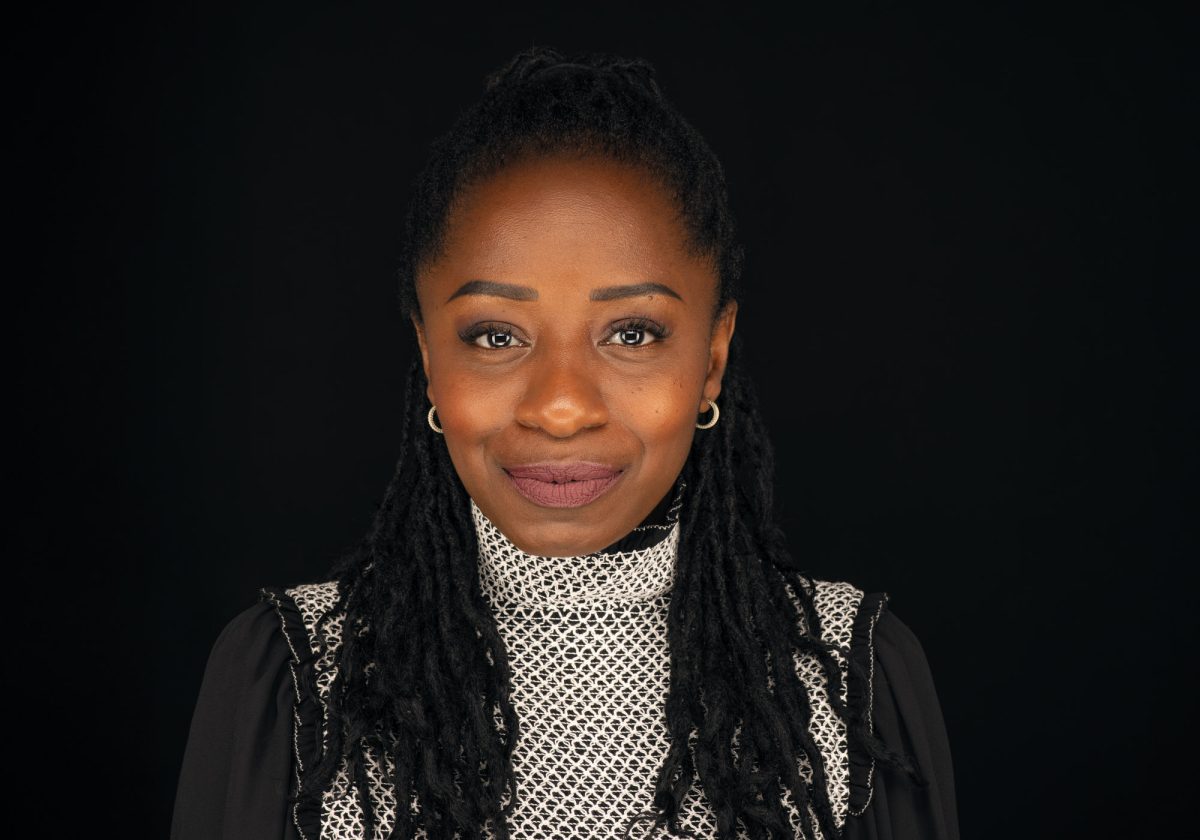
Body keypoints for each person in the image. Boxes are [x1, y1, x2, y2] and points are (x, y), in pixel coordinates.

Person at [171, 47, 959, 840]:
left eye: (633, 332)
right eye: (494, 336)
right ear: (428, 359)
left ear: (711, 359)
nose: (559, 406)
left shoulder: (850, 681)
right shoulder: (289, 683)